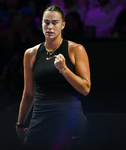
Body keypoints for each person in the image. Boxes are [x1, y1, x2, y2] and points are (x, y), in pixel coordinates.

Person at [16, 5, 91, 150]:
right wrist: (20, 124)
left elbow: (85, 89)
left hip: (70, 118)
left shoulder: (76, 49)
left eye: (54, 23)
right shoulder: (30, 54)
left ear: (62, 25)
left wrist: (64, 69)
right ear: (41, 24)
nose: (50, 26)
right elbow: (29, 93)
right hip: (40, 116)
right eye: (46, 22)